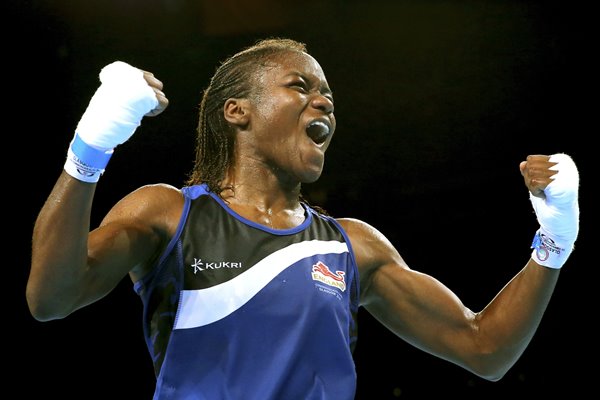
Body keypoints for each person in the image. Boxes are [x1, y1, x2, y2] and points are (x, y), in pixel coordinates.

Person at [26, 38, 580, 399]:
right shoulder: (169, 214)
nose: (324, 103)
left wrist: (556, 235)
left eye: (328, 95)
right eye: (301, 86)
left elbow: (485, 349)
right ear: (237, 110)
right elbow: (51, 298)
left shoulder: (352, 247)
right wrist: (93, 143)